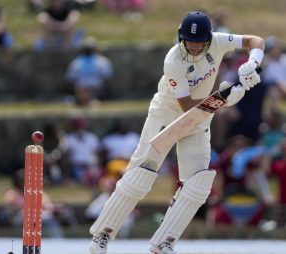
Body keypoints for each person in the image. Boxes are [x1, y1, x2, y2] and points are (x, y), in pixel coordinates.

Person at [88, 11, 265, 254]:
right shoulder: (174, 61)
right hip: (167, 115)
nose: (193, 46)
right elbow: (188, 109)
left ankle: (164, 242)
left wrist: (251, 64)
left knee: (199, 184)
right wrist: (226, 99)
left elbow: (256, 41)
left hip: (200, 119)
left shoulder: (218, 40)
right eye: (188, 41)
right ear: (181, 38)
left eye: (198, 41)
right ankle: (102, 235)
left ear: (208, 39)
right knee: (141, 175)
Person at [66, 37, 114, 106]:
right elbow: (108, 76)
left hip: (93, 89)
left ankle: (88, 100)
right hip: (86, 89)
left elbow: (70, 78)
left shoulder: (76, 62)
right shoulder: (102, 61)